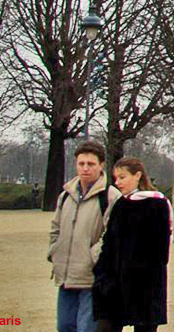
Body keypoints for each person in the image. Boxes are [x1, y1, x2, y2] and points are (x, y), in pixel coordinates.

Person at [92, 157, 172, 332]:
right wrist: (102, 273)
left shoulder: (157, 204)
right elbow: (109, 242)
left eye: (122, 177)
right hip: (115, 280)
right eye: (116, 178)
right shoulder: (120, 204)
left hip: (145, 281)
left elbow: (161, 249)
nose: (118, 182)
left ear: (137, 175)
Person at [50, 140, 120, 332]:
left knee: (86, 329)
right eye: (81, 164)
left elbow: (111, 235)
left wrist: (93, 258)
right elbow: (55, 227)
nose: (85, 168)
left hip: (91, 278)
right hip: (66, 275)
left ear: (101, 165)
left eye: (91, 164)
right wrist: (54, 251)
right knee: (64, 327)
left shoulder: (110, 196)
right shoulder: (65, 195)